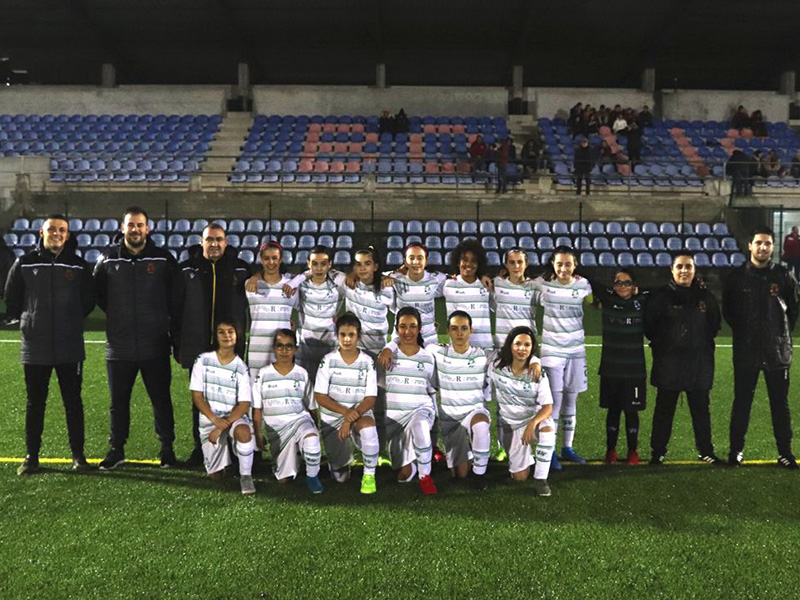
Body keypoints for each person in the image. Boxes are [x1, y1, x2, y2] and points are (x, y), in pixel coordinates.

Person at [4, 214, 96, 475]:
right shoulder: (25, 262)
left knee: (73, 401)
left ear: (67, 235)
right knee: (35, 402)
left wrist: (70, 319)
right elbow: (12, 297)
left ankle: (78, 457)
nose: (57, 233)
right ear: (41, 233)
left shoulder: (78, 265)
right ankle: (31, 457)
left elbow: (88, 300)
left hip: (70, 344)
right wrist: (31, 318)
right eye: (52, 229)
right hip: (35, 345)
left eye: (62, 230)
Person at [94, 206, 180, 470]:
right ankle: (116, 449)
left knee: (161, 399)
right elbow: (99, 295)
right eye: (131, 225)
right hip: (119, 347)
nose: (135, 230)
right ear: (123, 228)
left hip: (154, 344)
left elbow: (175, 296)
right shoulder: (107, 258)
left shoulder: (163, 259)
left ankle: (167, 449)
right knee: (118, 402)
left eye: (140, 225)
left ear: (147, 229)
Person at [723, 227, 799, 468]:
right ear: (750, 245)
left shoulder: (784, 275)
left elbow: (793, 311)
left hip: (777, 351)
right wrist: (748, 334)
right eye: (759, 243)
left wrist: (777, 334)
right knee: (742, 402)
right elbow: (729, 312)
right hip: (746, 351)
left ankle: (785, 453)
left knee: (780, 404)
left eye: (767, 243)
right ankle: (736, 451)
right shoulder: (736, 277)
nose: (763, 247)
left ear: (773, 247)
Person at [177, 222, 251, 466]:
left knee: (235, 398)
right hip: (198, 348)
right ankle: (201, 448)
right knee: (199, 400)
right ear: (202, 242)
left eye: (219, 239)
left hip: (231, 348)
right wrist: (178, 343)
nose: (215, 244)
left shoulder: (241, 269)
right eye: (210, 239)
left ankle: (237, 448)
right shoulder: (187, 268)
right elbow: (174, 309)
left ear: (226, 242)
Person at [644, 253, 723, 465]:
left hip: (699, 364)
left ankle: (706, 450)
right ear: (672, 269)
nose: (684, 271)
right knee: (664, 411)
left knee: (701, 411)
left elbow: (714, 325)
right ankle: (658, 452)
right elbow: (649, 327)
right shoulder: (660, 296)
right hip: (669, 364)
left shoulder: (706, 297)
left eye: (688, 266)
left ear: (694, 270)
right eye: (680, 266)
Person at [533, 246, 592, 470]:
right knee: (553, 403)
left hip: (576, 351)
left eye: (568, 264)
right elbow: (523, 282)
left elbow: (593, 301)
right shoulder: (543, 284)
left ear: (575, 265)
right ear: (553, 265)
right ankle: (550, 451)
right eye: (559, 264)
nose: (564, 268)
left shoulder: (583, 285)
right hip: (552, 353)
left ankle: (567, 448)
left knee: (571, 399)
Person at [314, 313, 380, 494]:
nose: (347, 339)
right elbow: (320, 396)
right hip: (334, 418)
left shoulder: (367, 362)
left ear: (359, 337)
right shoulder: (328, 361)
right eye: (343, 334)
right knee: (340, 477)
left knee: (368, 427)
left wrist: (349, 419)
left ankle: (369, 475)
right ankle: (341, 463)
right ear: (337, 335)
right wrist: (345, 414)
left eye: (351, 335)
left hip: (358, 415)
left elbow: (370, 398)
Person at [252, 329, 323, 494]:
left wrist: (314, 428)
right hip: (276, 428)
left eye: (289, 346)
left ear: (296, 349)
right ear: (274, 348)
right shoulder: (263, 375)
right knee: (284, 479)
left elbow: (312, 407)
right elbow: (257, 409)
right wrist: (258, 435)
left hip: (299, 420)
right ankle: (296, 457)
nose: (284, 351)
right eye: (280, 346)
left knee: (311, 440)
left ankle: (312, 477)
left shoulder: (302, 374)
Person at [189, 319, 256, 495]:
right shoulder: (202, 361)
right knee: (216, 476)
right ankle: (227, 460)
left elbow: (244, 405)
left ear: (237, 336)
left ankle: (246, 476)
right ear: (215, 336)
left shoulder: (241, 367)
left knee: (243, 431)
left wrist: (221, 425)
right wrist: (214, 420)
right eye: (221, 332)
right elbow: (197, 396)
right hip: (210, 419)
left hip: (232, 417)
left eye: (230, 331)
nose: (226, 335)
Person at [488, 326, 555, 497]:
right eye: (517, 344)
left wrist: (532, 424)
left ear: (532, 348)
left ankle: (541, 479)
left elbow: (548, 407)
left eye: (527, 345)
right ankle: (529, 456)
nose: (522, 349)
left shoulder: (538, 374)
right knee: (519, 477)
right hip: (511, 424)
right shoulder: (496, 365)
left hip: (532, 419)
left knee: (548, 430)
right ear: (510, 345)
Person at [429, 311, 491, 490]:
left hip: (474, 412)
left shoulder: (482, 355)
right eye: (455, 329)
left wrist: (534, 361)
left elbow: (510, 357)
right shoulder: (437, 352)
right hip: (450, 420)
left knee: (480, 425)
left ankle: (480, 474)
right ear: (448, 331)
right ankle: (471, 453)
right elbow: (412, 347)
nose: (459, 333)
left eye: (464, 328)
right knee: (460, 474)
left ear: (471, 331)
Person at [593, 268, 647, 464]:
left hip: (634, 370)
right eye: (618, 282)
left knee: (632, 412)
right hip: (611, 369)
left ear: (634, 286)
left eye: (627, 283)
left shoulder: (642, 302)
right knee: (613, 411)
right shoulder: (607, 300)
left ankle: (633, 451)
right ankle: (611, 451)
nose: (622, 286)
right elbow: (589, 279)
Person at [382, 307, 438, 494]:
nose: (408, 332)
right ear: (396, 329)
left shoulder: (428, 358)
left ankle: (425, 476)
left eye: (413, 326)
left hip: (420, 409)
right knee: (403, 475)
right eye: (403, 327)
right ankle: (412, 465)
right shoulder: (387, 356)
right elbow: (378, 389)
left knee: (420, 426)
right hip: (394, 418)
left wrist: (435, 418)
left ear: (420, 328)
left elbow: (431, 390)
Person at [285, 245, 344, 383]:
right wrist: (303, 277)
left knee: (328, 389)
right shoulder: (300, 286)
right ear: (308, 264)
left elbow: (348, 279)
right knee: (304, 389)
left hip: (329, 345)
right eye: (315, 264)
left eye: (323, 264)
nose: (319, 268)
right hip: (304, 346)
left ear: (330, 264)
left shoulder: (337, 287)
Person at [243, 241, 297, 382]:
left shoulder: (291, 285)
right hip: (257, 348)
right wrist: (256, 276)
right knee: (256, 391)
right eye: (266, 258)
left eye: (274, 258)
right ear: (261, 259)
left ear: (280, 259)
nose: (271, 262)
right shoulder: (250, 285)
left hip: (283, 348)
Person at [443, 239, 493, 351]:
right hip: (459, 348)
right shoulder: (447, 284)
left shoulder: (486, 285)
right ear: (457, 262)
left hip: (485, 347)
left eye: (473, 261)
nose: (468, 264)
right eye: (464, 260)